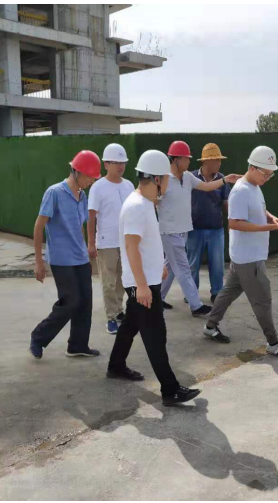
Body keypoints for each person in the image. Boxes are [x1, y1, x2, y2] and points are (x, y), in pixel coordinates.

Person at [107, 150, 202, 406]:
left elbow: (145, 243)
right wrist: (142, 285)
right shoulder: (137, 206)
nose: (169, 183)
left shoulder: (145, 202)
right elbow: (131, 247)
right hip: (142, 285)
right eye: (167, 178)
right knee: (155, 335)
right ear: (157, 179)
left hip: (145, 280)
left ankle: (115, 365)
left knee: (130, 326)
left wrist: (158, 265)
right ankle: (170, 390)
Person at [202, 146, 278, 357]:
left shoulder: (254, 186)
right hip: (249, 258)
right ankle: (273, 343)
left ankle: (210, 326)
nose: (267, 178)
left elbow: (258, 208)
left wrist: (271, 217)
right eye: (265, 174)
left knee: (227, 293)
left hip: (244, 255)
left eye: (270, 175)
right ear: (252, 168)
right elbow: (234, 223)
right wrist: (267, 227)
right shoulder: (240, 191)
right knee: (263, 300)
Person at [29, 150, 101, 360]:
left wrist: (86, 250)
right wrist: (39, 262)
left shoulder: (82, 195)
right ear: (77, 172)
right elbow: (38, 227)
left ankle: (78, 345)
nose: (91, 182)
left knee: (85, 302)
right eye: (89, 177)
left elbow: (79, 226)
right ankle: (38, 337)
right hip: (61, 260)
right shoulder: (54, 193)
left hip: (80, 258)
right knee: (71, 301)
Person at [158, 140, 241, 316]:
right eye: (186, 158)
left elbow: (206, 187)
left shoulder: (188, 177)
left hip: (183, 231)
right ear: (176, 159)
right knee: (184, 269)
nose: (189, 161)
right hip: (169, 231)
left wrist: (225, 179)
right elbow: (153, 201)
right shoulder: (164, 179)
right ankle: (196, 305)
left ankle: (157, 298)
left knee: (171, 267)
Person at [87, 143, 135, 334]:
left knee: (123, 280)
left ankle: (118, 310)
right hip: (106, 242)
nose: (120, 166)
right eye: (116, 162)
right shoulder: (98, 187)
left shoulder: (129, 185)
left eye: (123, 163)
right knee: (108, 282)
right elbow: (91, 217)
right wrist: (91, 243)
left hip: (125, 242)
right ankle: (111, 317)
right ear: (106, 164)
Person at [186, 143, 231, 305]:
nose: (219, 163)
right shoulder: (191, 177)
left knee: (217, 265)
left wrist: (232, 221)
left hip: (216, 230)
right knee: (192, 265)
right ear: (206, 161)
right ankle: (191, 294)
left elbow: (226, 203)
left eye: (219, 160)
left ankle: (217, 293)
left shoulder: (222, 179)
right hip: (194, 229)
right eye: (216, 160)